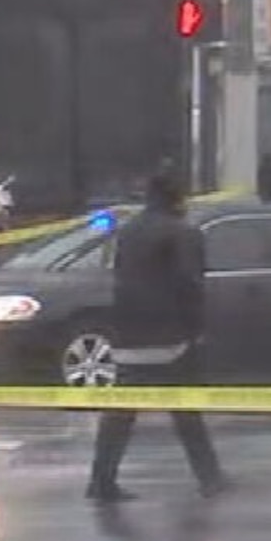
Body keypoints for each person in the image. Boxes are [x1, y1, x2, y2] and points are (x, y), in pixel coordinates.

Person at [86, 169, 230, 503]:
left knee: (120, 413)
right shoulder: (184, 234)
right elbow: (190, 285)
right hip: (171, 336)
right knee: (186, 411)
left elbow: (119, 276)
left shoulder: (129, 232)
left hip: (128, 332)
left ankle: (101, 480)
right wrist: (196, 330)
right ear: (179, 199)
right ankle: (209, 477)